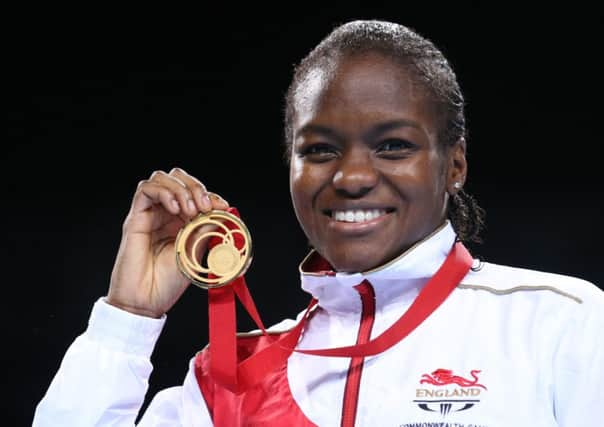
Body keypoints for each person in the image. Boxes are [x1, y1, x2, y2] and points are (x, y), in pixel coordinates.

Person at [33, 20, 603, 426]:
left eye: (393, 145)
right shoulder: (230, 378)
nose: (352, 176)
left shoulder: (560, 327)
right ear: (291, 168)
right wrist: (127, 319)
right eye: (321, 150)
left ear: (454, 164)